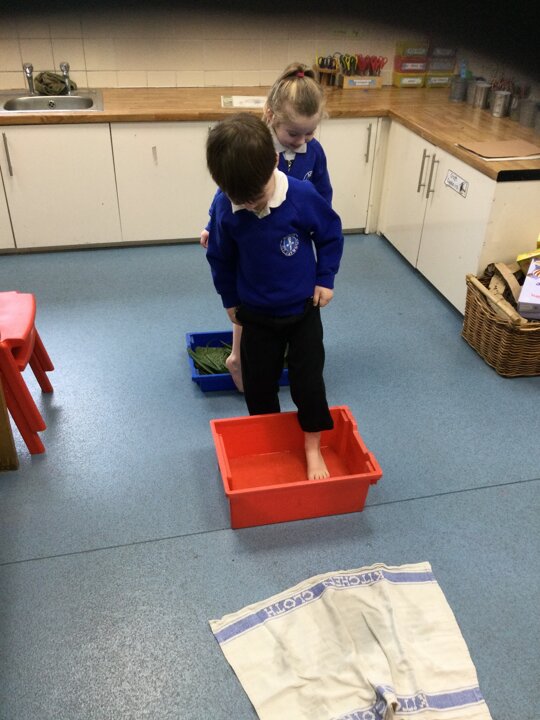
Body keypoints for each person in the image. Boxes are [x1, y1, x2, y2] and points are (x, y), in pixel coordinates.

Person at [205, 113, 343, 481]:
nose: (251, 206)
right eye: (242, 199)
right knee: (258, 386)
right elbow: (219, 257)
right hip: (256, 315)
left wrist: (325, 278)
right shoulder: (225, 207)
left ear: (274, 162)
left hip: (303, 311)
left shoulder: (300, 195)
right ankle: (268, 440)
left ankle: (312, 445)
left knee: (308, 384)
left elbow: (330, 233)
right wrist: (229, 299)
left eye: (256, 197)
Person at [200, 62, 332, 392]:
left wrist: (318, 220)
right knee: (250, 293)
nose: (301, 140)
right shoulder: (257, 147)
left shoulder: (313, 152)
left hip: (289, 232)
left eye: (309, 133)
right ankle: (238, 356)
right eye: (293, 134)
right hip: (251, 230)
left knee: (283, 284)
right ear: (271, 116)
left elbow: (322, 192)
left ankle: (274, 349)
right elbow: (227, 191)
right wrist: (211, 225)